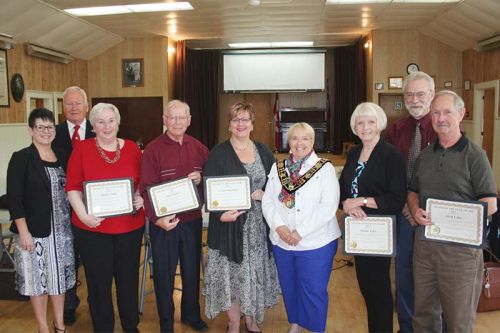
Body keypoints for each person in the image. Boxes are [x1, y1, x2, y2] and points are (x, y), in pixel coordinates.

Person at [408, 90, 497, 333]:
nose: (441, 118)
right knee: (423, 316)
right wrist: (415, 210)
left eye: (447, 112)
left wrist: (455, 216)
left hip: (461, 253)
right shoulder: (425, 155)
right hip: (425, 247)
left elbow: (490, 202)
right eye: (435, 112)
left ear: (461, 113)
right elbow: (413, 192)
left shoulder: (475, 156)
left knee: (458, 321)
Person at [66, 103, 145, 333]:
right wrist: (83, 216)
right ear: (93, 126)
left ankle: (131, 327)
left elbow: (141, 184)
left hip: (129, 228)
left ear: (118, 123)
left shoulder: (131, 148)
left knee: (128, 282)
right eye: (100, 121)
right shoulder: (81, 149)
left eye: (111, 120)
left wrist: (140, 197)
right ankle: (103, 328)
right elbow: (72, 188)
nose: (106, 126)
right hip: (93, 230)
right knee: (99, 285)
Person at [203, 102, 280, 333]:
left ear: (252, 123)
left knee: (253, 274)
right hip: (229, 226)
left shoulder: (264, 151)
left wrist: (267, 194)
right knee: (233, 277)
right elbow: (209, 189)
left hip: (257, 228)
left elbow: (276, 186)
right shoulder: (218, 153)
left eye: (245, 119)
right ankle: (234, 323)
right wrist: (219, 214)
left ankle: (251, 320)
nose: (240, 124)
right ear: (229, 124)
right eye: (236, 119)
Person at [262, 122, 341, 333]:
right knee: (289, 286)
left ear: (313, 142)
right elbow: (268, 201)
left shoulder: (325, 169)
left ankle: (315, 329)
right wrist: (279, 228)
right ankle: (294, 324)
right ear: (289, 141)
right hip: (282, 241)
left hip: (316, 242)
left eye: (305, 138)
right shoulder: (277, 168)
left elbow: (328, 207)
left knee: (313, 290)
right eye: (295, 138)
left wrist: (299, 232)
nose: (299, 143)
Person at [139, 100, 209, 333]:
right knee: (163, 275)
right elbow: (145, 189)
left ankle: (191, 315)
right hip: (163, 224)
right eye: (173, 117)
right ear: (164, 120)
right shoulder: (152, 150)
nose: (177, 122)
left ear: (189, 120)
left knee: (191, 271)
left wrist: (201, 179)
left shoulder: (199, 147)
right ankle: (166, 323)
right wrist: (156, 220)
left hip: (191, 222)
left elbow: (210, 181)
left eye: (182, 118)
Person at [339, 102, 407, 333]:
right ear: (354, 126)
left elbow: (396, 199)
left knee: (378, 288)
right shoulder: (355, 153)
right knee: (366, 287)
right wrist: (347, 205)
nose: (365, 127)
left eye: (370, 122)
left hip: (379, 230)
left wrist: (363, 201)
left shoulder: (391, 155)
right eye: (360, 122)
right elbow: (345, 190)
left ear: (379, 124)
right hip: (358, 231)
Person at [7, 108, 75, 333]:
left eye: (50, 126)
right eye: (40, 127)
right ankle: (43, 328)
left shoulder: (64, 155)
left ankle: (60, 325)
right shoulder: (21, 158)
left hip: (63, 231)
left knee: (59, 281)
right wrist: (23, 231)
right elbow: (14, 198)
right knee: (39, 283)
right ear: (30, 130)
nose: (46, 131)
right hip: (34, 232)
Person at [385, 71, 437, 333]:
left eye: (419, 94)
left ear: (431, 95)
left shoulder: (442, 127)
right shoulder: (396, 130)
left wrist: (422, 207)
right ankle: (406, 327)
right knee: (404, 274)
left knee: (430, 278)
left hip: (434, 217)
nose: (414, 99)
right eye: (409, 94)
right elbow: (390, 172)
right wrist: (407, 205)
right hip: (404, 214)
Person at [52, 86, 95, 325]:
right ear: (63, 108)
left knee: (92, 259)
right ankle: (69, 304)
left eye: (78, 103)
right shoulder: (53, 133)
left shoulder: (99, 129)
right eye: (69, 104)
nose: (74, 107)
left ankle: (96, 302)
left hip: (93, 208)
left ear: (86, 106)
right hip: (61, 210)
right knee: (67, 259)